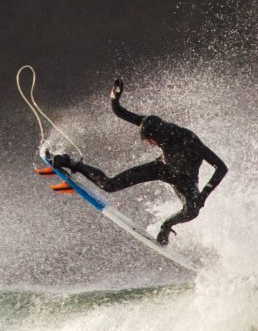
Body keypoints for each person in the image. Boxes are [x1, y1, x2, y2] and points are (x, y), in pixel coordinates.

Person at [48, 77, 226, 245]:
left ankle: (166, 226)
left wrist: (204, 195)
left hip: (185, 180)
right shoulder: (151, 123)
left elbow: (221, 168)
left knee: (192, 210)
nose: (148, 143)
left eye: (149, 140)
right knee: (109, 185)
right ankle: (71, 163)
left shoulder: (188, 140)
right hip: (162, 167)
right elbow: (120, 112)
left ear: (157, 136)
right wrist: (114, 98)